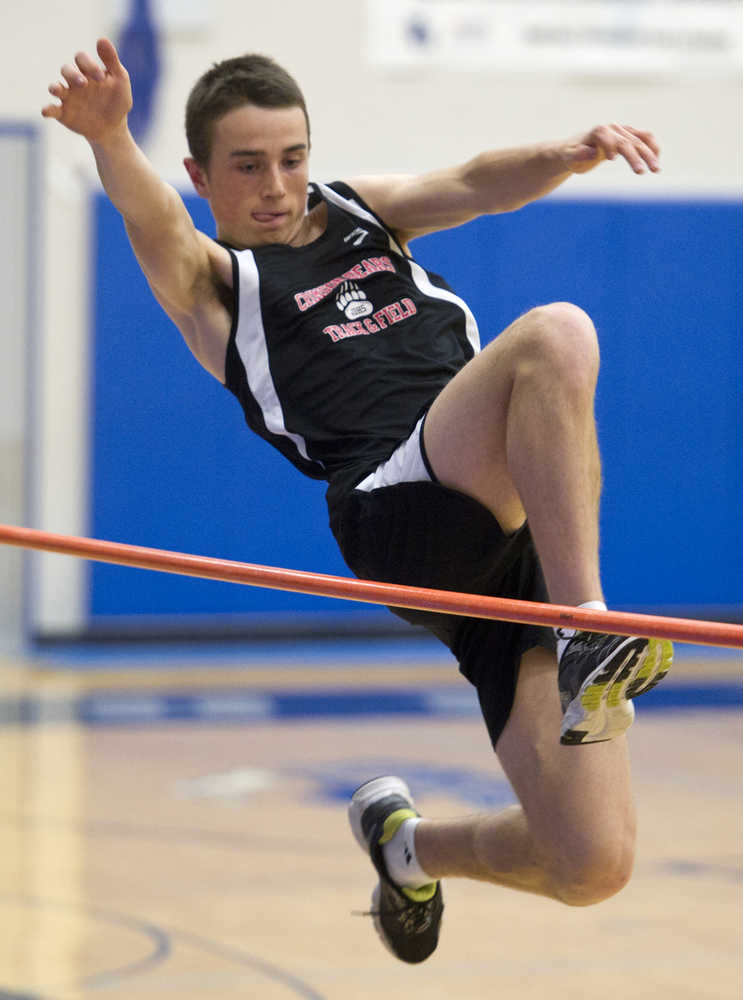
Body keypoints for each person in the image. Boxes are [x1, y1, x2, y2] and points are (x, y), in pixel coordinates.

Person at [43, 39, 673, 965]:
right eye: (248, 167)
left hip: (508, 544)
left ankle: (406, 848)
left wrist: (568, 152)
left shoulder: (360, 212)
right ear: (201, 177)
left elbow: (471, 181)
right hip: (399, 513)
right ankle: (588, 627)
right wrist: (108, 139)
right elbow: (156, 227)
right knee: (557, 336)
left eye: (291, 159)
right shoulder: (219, 286)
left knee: (589, 862)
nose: (277, 185)